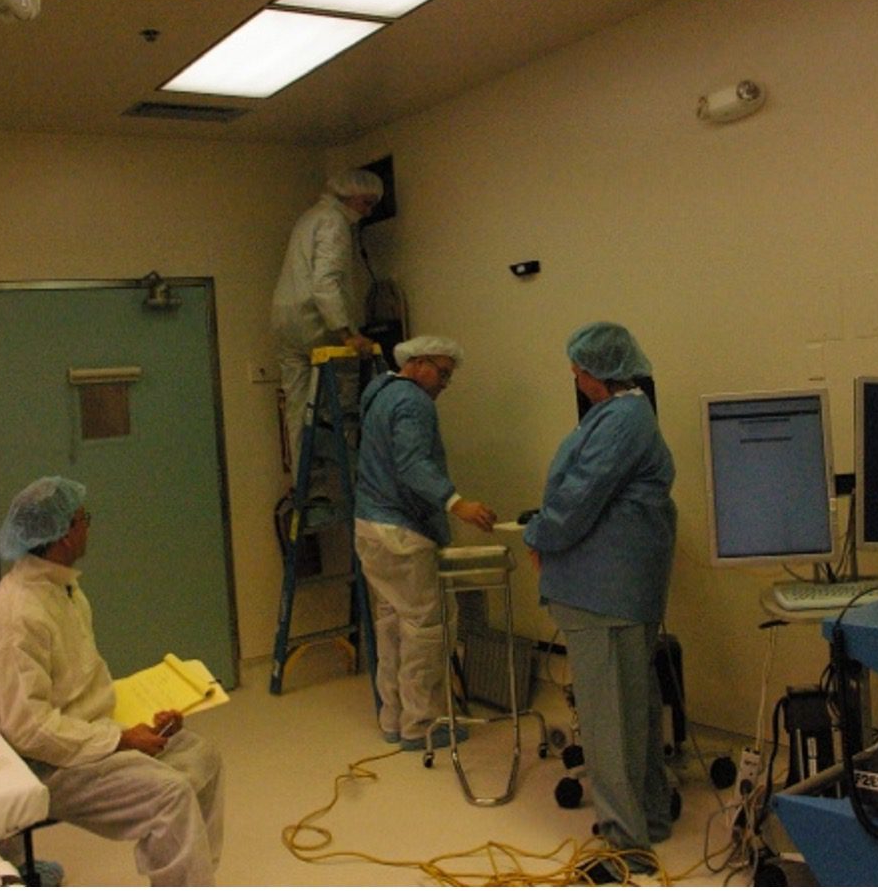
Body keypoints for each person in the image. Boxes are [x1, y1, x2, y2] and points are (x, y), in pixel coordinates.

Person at [0, 477, 224, 886]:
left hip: (81, 736)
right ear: (65, 533)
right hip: (39, 762)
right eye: (85, 518)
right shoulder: (17, 617)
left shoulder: (64, 589)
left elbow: (80, 688)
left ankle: (192, 877)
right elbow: (28, 730)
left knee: (200, 757)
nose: (89, 526)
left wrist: (142, 720)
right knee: (169, 795)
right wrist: (122, 740)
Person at [522, 323, 676, 884]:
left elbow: (580, 494)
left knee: (611, 722)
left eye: (579, 368)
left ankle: (623, 844)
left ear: (600, 372)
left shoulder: (622, 421)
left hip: (603, 593)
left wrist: (539, 534)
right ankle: (650, 817)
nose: (575, 376)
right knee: (633, 712)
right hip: (615, 590)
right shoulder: (627, 416)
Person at [354, 336, 497, 749]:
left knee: (391, 626)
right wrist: (457, 503)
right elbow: (413, 464)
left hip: (370, 527)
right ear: (417, 363)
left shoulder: (378, 392)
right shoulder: (413, 403)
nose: (443, 384)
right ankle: (423, 725)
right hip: (402, 534)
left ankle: (393, 718)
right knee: (426, 629)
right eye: (442, 373)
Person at [271, 168, 383, 463]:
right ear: (348, 196)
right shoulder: (334, 223)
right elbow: (325, 284)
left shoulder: (309, 217)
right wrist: (349, 334)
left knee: (298, 408)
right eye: (366, 203)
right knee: (341, 396)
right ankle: (344, 476)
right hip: (315, 321)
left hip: (285, 321)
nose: (368, 211)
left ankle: (305, 489)